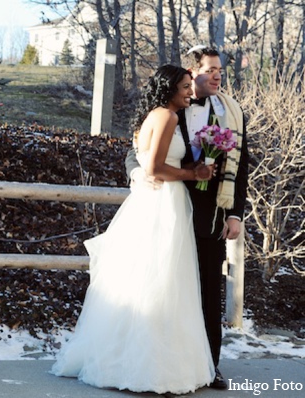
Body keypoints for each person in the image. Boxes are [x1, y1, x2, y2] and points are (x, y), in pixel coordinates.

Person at [51, 64, 216, 395]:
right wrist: (194, 174)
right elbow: (154, 168)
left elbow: (146, 163)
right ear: (169, 89)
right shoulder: (168, 117)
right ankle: (154, 368)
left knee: (144, 277)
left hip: (148, 202)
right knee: (164, 279)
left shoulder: (152, 115)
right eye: (184, 87)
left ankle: (124, 358)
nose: (189, 92)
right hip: (163, 203)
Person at [125, 46, 249, 390]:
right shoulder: (167, 109)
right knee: (168, 289)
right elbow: (137, 153)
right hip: (168, 212)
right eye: (210, 69)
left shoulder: (232, 114)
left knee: (209, 294)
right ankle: (161, 363)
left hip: (211, 219)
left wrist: (236, 213)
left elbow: (242, 170)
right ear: (191, 73)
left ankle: (209, 366)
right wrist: (140, 176)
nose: (217, 75)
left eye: (220, 70)